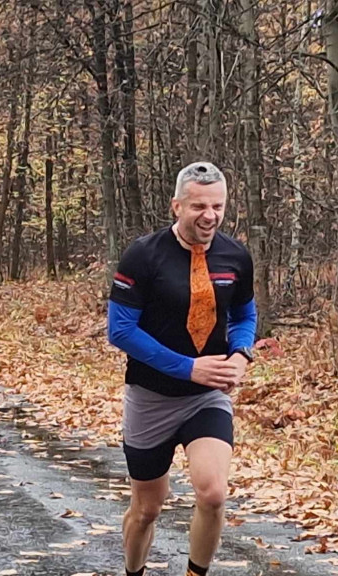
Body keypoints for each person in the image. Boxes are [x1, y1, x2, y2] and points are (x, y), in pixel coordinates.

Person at [107, 161, 257, 576]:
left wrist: (242, 354)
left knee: (212, 493)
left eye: (218, 206)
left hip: (206, 398)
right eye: (198, 206)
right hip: (151, 397)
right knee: (147, 510)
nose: (209, 215)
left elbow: (245, 314)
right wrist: (187, 367)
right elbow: (120, 331)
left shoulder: (235, 256)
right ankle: (133, 571)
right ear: (177, 206)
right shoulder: (143, 255)